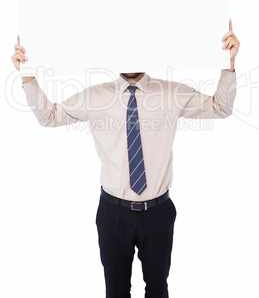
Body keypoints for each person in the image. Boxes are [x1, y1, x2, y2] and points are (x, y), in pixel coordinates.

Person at [11, 19, 240, 298]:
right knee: (116, 291)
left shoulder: (171, 92)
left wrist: (228, 64)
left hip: (158, 212)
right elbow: (49, 117)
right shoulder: (95, 96)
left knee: (158, 289)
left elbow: (221, 107)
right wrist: (28, 75)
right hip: (113, 214)